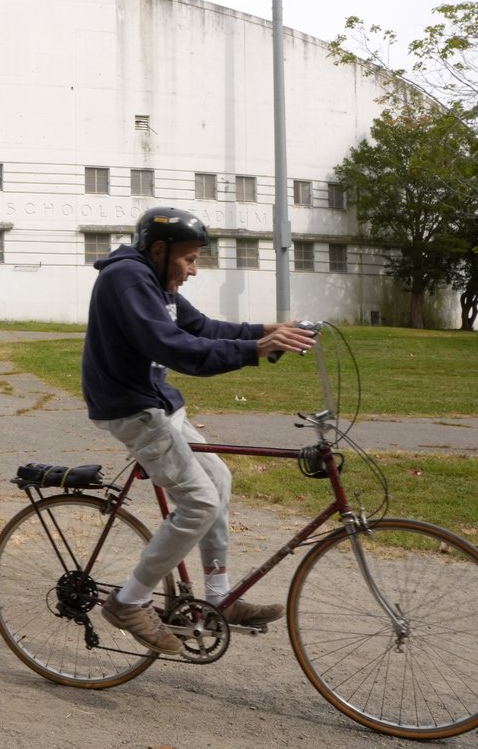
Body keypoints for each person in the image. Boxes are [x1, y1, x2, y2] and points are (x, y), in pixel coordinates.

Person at [81, 206, 318, 655]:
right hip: (131, 408)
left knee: (219, 479)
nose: (193, 269)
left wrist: (273, 330)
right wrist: (255, 350)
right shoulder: (126, 279)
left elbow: (202, 327)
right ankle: (128, 601)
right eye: (189, 259)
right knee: (199, 502)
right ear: (159, 250)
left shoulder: (156, 281)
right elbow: (175, 348)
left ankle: (218, 598)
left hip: (158, 403)